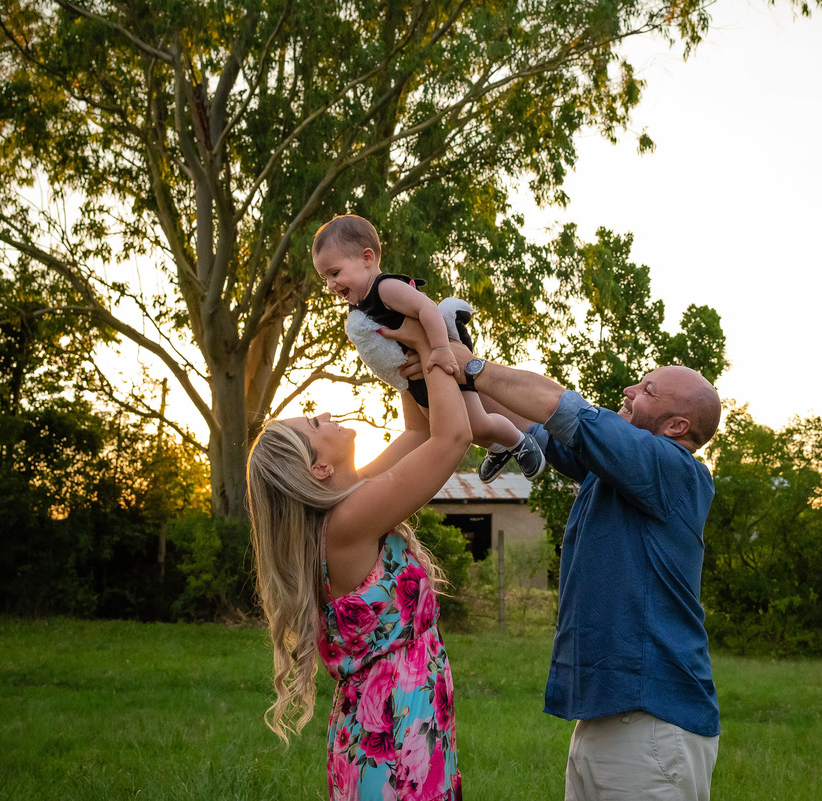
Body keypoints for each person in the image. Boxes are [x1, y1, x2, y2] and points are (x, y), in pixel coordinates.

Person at [394, 334, 724, 801]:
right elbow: (526, 419)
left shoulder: (673, 470)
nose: (630, 391)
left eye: (647, 390)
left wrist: (473, 367)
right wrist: (441, 359)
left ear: (676, 426)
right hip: (609, 717)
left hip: (652, 722)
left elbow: (562, 408)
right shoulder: (613, 470)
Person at [246, 318, 469, 800]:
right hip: (392, 727)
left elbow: (418, 433)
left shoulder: (348, 504)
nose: (324, 413)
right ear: (318, 467)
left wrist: (403, 353)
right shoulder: (348, 521)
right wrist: (435, 344)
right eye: (314, 423)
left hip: (400, 719)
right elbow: (451, 439)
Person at [313, 213, 544, 484]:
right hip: (419, 376)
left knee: (476, 422)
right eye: (324, 278)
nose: (330, 285)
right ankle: (496, 448)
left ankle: (519, 441)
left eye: (335, 273)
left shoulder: (385, 288)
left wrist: (440, 349)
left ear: (367, 258)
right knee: (446, 425)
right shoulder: (360, 304)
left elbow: (427, 309)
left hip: (442, 359)